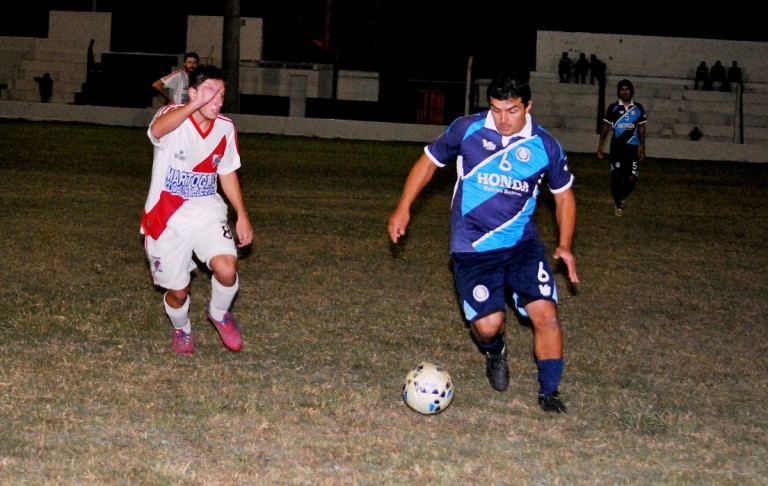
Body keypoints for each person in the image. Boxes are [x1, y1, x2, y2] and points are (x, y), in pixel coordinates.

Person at [388, 71, 579, 414]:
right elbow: (427, 164)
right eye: (496, 109)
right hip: (473, 246)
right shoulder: (467, 129)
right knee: (488, 326)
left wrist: (565, 244)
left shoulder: (544, 146)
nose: (503, 119)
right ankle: (495, 351)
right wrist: (403, 209)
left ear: (528, 106)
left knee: (545, 314)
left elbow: (564, 197)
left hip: (522, 244)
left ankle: (549, 392)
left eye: (512, 110)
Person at [140, 64, 254, 355]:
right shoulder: (172, 117)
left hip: (206, 211)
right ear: (192, 93)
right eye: (210, 93)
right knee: (178, 292)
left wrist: (241, 214)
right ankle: (182, 329)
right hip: (165, 218)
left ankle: (218, 313)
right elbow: (156, 130)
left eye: (221, 94)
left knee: (227, 269)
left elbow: (227, 172)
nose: (216, 101)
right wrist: (193, 106)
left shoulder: (225, 128)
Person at [597, 79, 647, 217]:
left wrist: (642, 148)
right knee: (617, 176)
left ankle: (619, 197)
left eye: (627, 89)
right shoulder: (613, 108)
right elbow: (605, 128)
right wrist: (600, 146)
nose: (625, 92)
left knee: (631, 179)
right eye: (622, 89)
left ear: (631, 91)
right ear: (618, 92)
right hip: (617, 148)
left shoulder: (638, 108)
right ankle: (618, 204)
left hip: (632, 149)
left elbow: (642, 129)